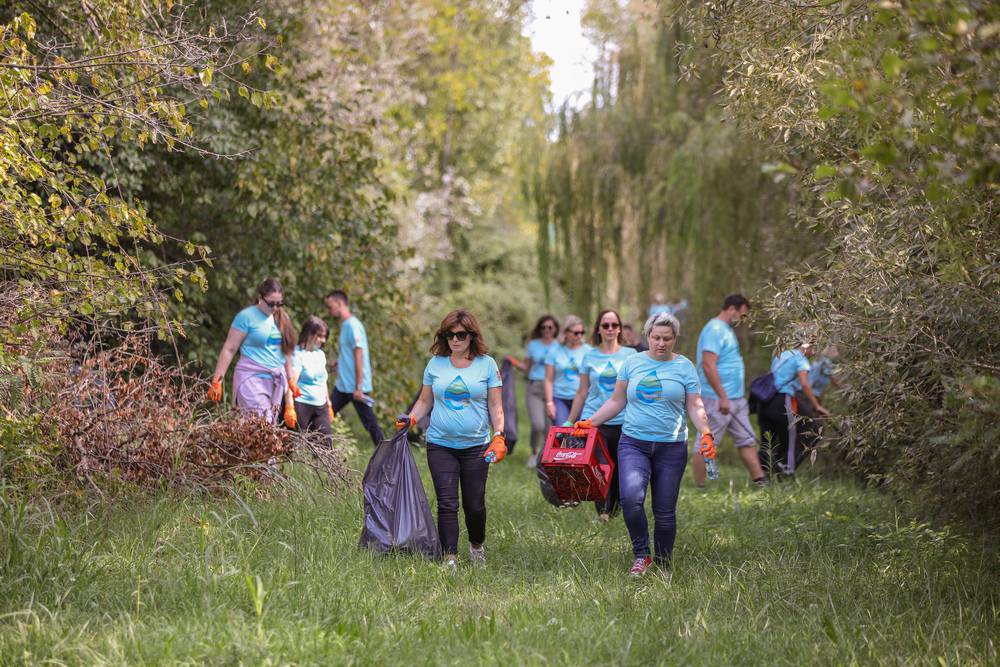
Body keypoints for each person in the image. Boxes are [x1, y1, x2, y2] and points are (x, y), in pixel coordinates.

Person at [574, 312, 715, 576]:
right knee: (631, 499)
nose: (661, 343)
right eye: (656, 337)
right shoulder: (632, 362)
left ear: (675, 339)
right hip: (633, 443)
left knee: (664, 509)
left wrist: (705, 432)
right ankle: (642, 556)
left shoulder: (684, 367)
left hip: (671, 447)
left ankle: (663, 564)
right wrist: (590, 422)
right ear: (647, 336)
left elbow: (695, 406)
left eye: (667, 338)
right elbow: (617, 400)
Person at [396, 309, 506, 571]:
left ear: (472, 336)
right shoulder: (436, 364)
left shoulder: (487, 364)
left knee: (474, 505)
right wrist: (411, 419)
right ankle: (450, 558)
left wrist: (499, 436)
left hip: (476, 446)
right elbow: (425, 401)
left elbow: (495, 405)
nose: (455, 340)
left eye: (460, 335)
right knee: (447, 503)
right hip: (440, 444)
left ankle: (477, 546)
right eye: (449, 335)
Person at [567, 309, 636, 521]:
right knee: (599, 467)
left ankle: (614, 511)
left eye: (614, 325)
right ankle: (603, 511)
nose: (610, 329)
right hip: (593, 419)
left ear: (620, 329)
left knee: (618, 467)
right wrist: (571, 419)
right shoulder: (589, 356)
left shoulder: (630, 355)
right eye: (605, 325)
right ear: (598, 328)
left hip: (622, 420)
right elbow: (582, 391)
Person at [693, 294, 767, 487]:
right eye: (743, 315)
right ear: (733, 309)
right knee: (707, 441)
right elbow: (708, 365)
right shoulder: (714, 329)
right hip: (717, 398)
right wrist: (722, 396)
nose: (743, 320)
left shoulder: (726, 329)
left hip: (736, 398)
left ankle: (760, 480)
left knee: (747, 439)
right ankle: (700, 487)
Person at [208, 278, 298, 427]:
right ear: (260, 298)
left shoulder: (282, 318)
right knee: (264, 424)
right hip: (250, 378)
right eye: (271, 303)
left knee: (256, 430)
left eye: (279, 303)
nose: (275, 307)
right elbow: (229, 349)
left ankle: (233, 448)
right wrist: (217, 381)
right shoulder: (246, 317)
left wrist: (291, 380)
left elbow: (286, 351)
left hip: (274, 381)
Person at [757, 341, 830, 476]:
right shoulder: (800, 358)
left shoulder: (782, 354)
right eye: (813, 348)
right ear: (806, 346)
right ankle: (786, 474)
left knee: (769, 441)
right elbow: (805, 384)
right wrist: (817, 406)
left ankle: (765, 475)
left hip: (766, 400)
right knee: (791, 440)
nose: (813, 352)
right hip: (783, 399)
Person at [325, 290, 383, 447]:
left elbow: (359, 355)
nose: (329, 310)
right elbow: (349, 353)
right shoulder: (344, 325)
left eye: (330, 306)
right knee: (324, 415)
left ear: (340, 303)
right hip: (343, 386)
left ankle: (387, 456)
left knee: (370, 424)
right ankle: (319, 453)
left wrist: (359, 387)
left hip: (356, 388)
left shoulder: (353, 325)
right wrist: (338, 363)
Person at [508, 315, 559, 467]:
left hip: (554, 389)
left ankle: (546, 456)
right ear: (539, 329)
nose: (547, 330)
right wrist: (512, 362)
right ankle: (534, 453)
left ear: (555, 329)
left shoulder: (560, 345)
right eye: (543, 327)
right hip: (535, 388)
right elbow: (526, 367)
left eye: (550, 327)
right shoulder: (533, 345)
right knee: (538, 424)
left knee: (550, 427)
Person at [290, 316, 335, 444]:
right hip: (301, 404)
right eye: (320, 336)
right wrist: (289, 406)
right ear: (309, 334)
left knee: (326, 445)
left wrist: (329, 403)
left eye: (325, 336)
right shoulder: (298, 354)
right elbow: (291, 382)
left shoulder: (320, 354)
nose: (323, 340)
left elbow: (323, 381)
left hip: (320, 405)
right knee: (293, 445)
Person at [544, 315, 591, 426]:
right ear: (565, 332)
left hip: (582, 399)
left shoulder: (588, 350)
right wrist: (549, 403)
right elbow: (548, 379)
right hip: (560, 398)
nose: (579, 336)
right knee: (562, 431)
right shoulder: (554, 350)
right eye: (575, 333)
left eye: (582, 332)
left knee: (581, 433)